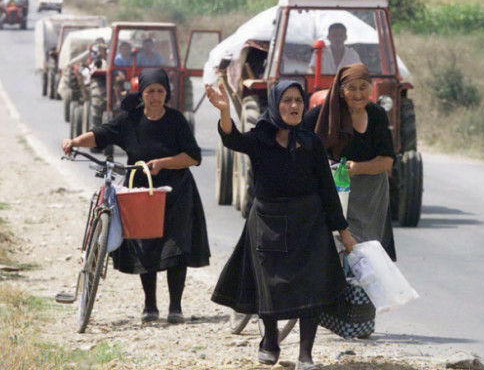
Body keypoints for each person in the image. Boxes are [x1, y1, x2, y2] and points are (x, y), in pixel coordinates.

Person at [206, 80, 357, 370]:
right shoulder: (259, 139)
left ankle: (305, 354)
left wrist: (344, 233)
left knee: (311, 289)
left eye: (299, 100)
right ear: (276, 105)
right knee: (271, 287)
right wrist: (225, 111)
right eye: (287, 100)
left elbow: (327, 190)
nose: (294, 106)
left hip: (309, 223)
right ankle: (270, 339)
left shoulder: (311, 143)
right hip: (268, 222)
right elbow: (231, 139)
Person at [61, 68, 210, 324]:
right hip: (142, 191)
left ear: (167, 94)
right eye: (150, 91)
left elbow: (193, 157)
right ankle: (150, 305)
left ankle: (176, 307)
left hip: (177, 193)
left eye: (160, 91)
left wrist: (163, 163)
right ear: (141, 93)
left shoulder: (176, 121)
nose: (155, 97)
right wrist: (74, 141)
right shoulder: (128, 119)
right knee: (146, 246)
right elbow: (100, 134)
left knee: (177, 249)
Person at [303, 63, 397, 261]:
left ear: (371, 89)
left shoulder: (377, 115)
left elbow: (387, 161)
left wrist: (358, 168)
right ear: (340, 91)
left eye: (363, 87)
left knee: (368, 253)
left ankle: (363, 291)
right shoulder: (321, 116)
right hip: (335, 195)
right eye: (351, 88)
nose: (358, 94)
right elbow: (300, 150)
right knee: (335, 249)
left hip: (370, 200)